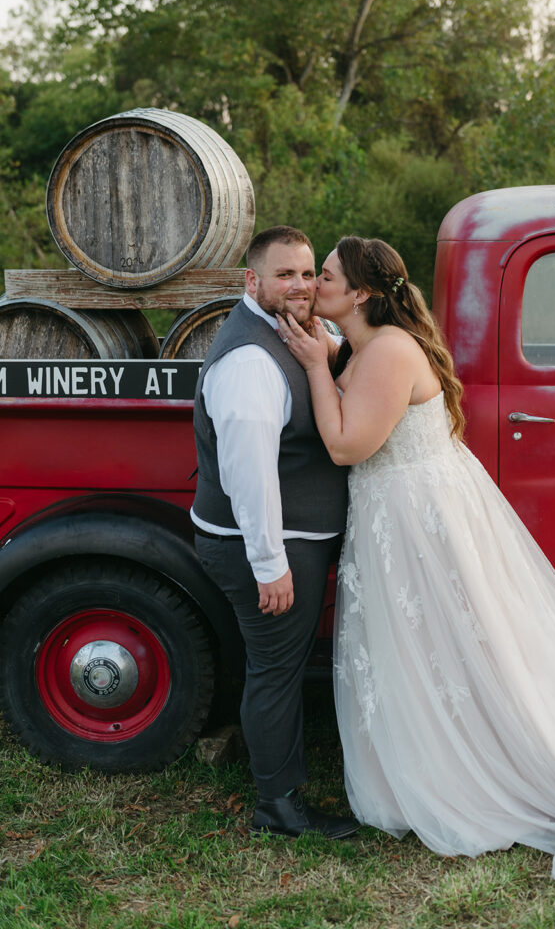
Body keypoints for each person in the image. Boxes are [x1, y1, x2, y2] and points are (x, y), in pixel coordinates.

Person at [277, 234, 555, 907]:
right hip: (400, 512)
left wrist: (319, 368)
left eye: (326, 275)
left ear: (361, 295)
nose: (316, 283)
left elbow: (348, 443)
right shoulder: (364, 343)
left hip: (414, 516)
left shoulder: (388, 351)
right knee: (426, 647)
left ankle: (479, 769)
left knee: (453, 645)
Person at [192, 225, 357, 839]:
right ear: (251, 280)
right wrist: (271, 565)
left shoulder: (295, 330)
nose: (301, 285)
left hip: (290, 539)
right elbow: (251, 477)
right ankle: (279, 807)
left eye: (309, 272)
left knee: (279, 666)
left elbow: (339, 343)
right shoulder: (249, 362)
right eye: (285, 274)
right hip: (262, 544)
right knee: (276, 669)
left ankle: (280, 794)